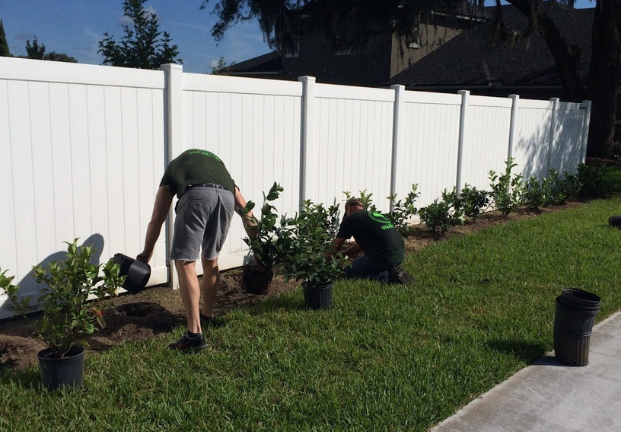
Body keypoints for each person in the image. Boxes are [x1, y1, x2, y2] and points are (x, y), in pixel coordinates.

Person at [137, 149, 256, 351]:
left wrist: (145, 255)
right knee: (211, 259)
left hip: (196, 195)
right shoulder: (221, 170)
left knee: (184, 262)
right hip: (226, 198)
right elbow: (247, 212)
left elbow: (157, 219)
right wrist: (259, 248)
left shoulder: (174, 167)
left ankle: (194, 335)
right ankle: (207, 316)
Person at [327, 197, 412, 284]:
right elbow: (358, 247)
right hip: (399, 254)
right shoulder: (371, 216)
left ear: (348, 209)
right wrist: (342, 255)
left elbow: (335, 246)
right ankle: (391, 268)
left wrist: (323, 262)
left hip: (384, 256)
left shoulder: (351, 218)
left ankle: (388, 276)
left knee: (348, 272)